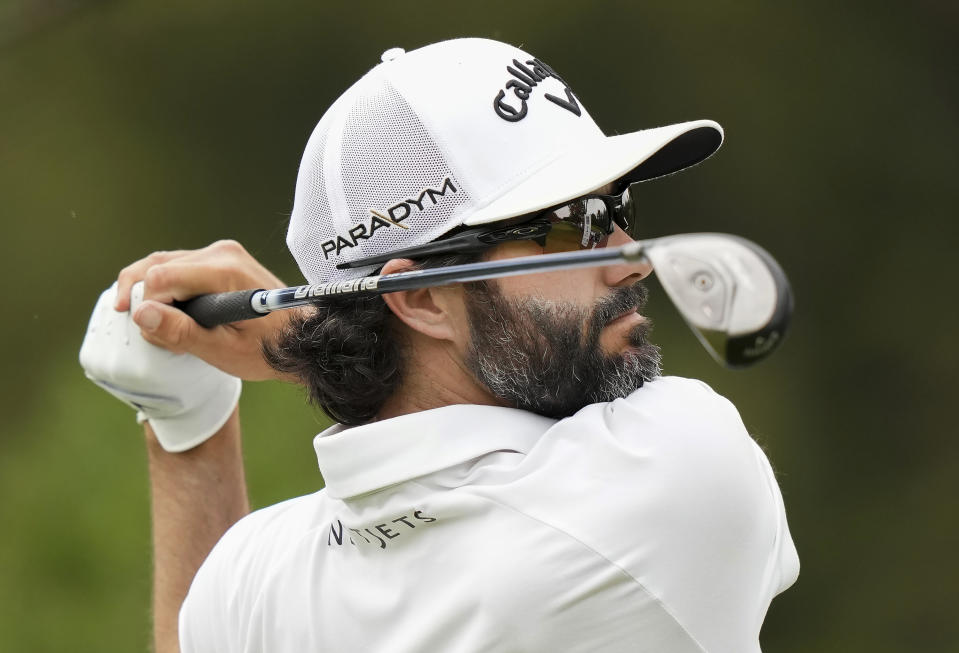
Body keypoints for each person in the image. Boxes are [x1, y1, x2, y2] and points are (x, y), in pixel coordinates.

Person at [79, 38, 798, 653]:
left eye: (617, 209)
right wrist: (299, 342)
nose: (629, 258)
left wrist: (190, 429)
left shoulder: (251, 585)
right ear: (421, 298)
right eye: (574, 224)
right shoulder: (683, 473)